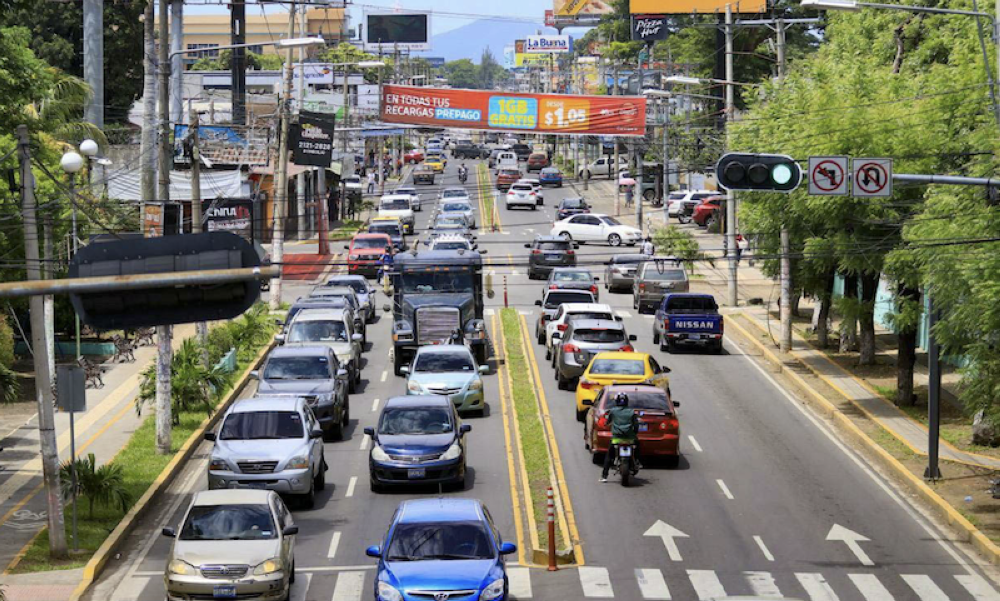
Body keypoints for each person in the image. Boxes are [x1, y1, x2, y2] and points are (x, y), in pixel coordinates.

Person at [601, 392, 640, 482]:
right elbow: (636, 425)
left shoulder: (613, 411)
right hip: (630, 439)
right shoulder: (631, 412)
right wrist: (634, 433)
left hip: (616, 439)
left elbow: (607, 422)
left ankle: (604, 476)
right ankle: (637, 461)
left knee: (609, 456)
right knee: (638, 445)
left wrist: (607, 424)